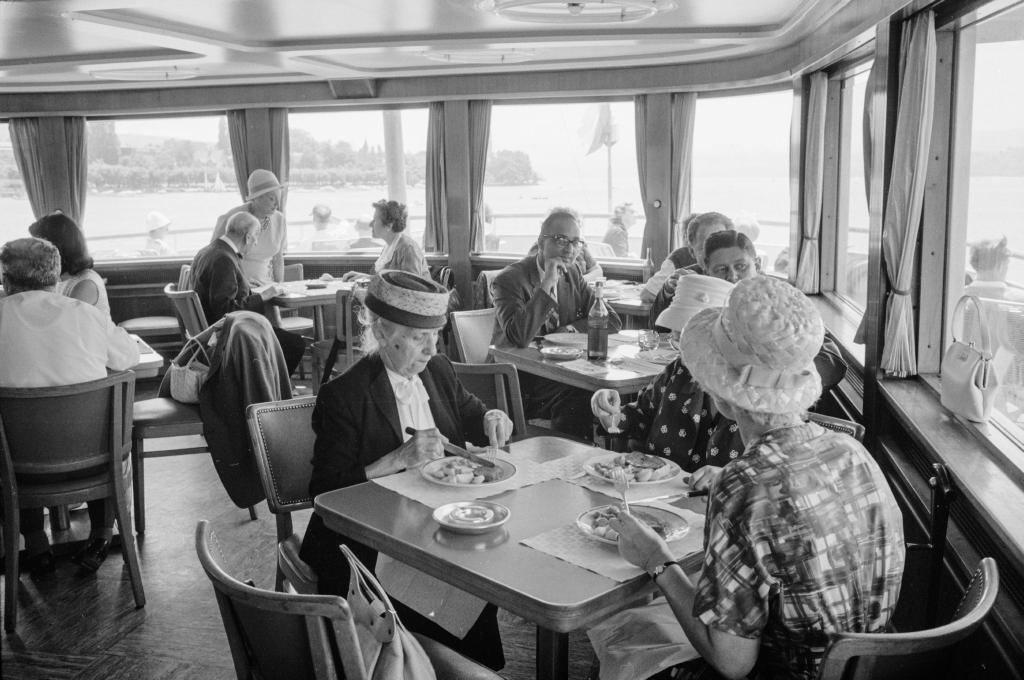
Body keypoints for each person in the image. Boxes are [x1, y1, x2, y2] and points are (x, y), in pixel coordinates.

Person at [609, 276, 905, 680]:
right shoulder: (853, 452)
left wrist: (656, 558)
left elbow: (731, 662)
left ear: (720, 396)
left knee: (627, 639)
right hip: (871, 669)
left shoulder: (744, 484)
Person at [300, 270, 513, 670]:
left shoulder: (439, 370)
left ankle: (468, 669)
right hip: (367, 540)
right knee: (446, 580)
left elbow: (471, 413)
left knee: (483, 568)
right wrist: (396, 459)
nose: (431, 348)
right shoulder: (344, 396)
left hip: (438, 523)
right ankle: (418, 665)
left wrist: (491, 417)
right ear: (381, 333)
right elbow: (324, 491)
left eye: (435, 335)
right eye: (418, 337)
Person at [0, 237, 140, 576]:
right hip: (91, 464)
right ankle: (102, 535)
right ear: (56, 276)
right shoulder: (86, 315)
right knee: (103, 427)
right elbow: (129, 357)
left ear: (6, 278)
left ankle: (35, 542)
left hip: (16, 470)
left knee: (14, 441)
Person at [491, 207, 621, 440]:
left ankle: (605, 458)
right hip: (520, 379)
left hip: (561, 372)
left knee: (610, 390)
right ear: (541, 242)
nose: (570, 249)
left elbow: (611, 320)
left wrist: (570, 329)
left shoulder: (572, 275)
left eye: (576, 242)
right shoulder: (509, 280)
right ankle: (567, 462)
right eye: (561, 240)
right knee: (579, 393)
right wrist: (547, 284)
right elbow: (519, 336)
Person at [592, 275, 739, 472]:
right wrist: (610, 413)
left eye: (690, 340)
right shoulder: (678, 370)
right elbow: (642, 415)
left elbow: (767, 467)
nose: (682, 351)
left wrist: (725, 476)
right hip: (656, 487)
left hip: (713, 498)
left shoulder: (749, 390)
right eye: (676, 339)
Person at [190, 212, 305, 375]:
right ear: (248, 237)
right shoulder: (224, 259)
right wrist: (263, 296)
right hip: (229, 335)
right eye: (256, 237)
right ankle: (268, 393)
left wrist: (244, 286)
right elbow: (225, 310)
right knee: (294, 344)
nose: (256, 242)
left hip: (211, 331)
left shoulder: (208, 251)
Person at [28, 211, 111, 318]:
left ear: (57, 246)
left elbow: (67, 324)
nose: (33, 249)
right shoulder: (53, 276)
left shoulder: (86, 282)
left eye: (39, 244)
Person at [211, 169, 287, 285]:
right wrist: (242, 284)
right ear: (256, 197)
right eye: (272, 199)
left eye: (279, 198)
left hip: (266, 286)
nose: (277, 204)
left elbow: (278, 259)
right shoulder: (232, 218)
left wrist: (280, 287)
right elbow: (215, 256)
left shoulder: (280, 220)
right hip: (236, 287)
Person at [342, 199, 429, 281]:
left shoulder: (408, 248)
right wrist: (365, 277)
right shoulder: (390, 246)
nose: (371, 224)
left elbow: (411, 285)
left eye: (375, 220)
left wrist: (369, 279)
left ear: (389, 225)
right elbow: (386, 280)